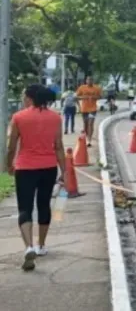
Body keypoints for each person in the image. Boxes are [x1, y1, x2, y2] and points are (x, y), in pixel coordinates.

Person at [5, 84, 65, 271]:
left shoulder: (19, 117)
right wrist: (65, 170)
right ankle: (41, 246)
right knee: (44, 204)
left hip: (25, 167)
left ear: (30, 98)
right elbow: (58, 146)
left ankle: (28, 246)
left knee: (25, 207)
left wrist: (8, 165)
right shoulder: (55, 118)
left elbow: (11, 145)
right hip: (48, 167)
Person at [75, 76, 102, 146]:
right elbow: (76, 97)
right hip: (84, 109)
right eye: (88, 80)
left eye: (91, 80)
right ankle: (86, 137)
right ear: (86, 81)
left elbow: (100, 96)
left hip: (93, 109)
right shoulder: (82, 87)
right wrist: (83, 97)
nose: (89, 81)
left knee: (90, 123)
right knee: (85, 124)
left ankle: (89, 140)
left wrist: (94, 97)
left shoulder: (96, 88)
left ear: (93, 81)